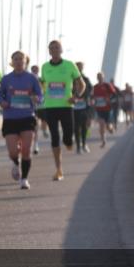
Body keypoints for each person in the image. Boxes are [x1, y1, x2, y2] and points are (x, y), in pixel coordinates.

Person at [0, 51, 43, 190]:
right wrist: (2, 102)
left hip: (27, 117)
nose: (18, 62)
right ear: (12, 62)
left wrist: (37, 99)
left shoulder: (32, 78)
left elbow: (41, 96)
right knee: (12, 152)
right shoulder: (6, 79)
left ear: (25, 62)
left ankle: (24, 179)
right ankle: (15, 163)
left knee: (26, 150)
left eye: (21, 59)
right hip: (10, 118)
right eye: (15, 59)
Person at [40, 40, 83, 181]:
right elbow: (42, 83)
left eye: (57, 47)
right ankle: (58, 170)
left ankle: (69, 142)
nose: (54, 50)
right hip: (50, 106)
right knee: (54, 137)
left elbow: (81, 84)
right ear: (49, 51)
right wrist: (39, 92)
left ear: (61, 50)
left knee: (67, 138)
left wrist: (76, 97)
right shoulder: (45, 67)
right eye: (51, 48)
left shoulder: (69, 65)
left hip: (66, 106)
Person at [72, 61, 94, 154]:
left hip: (84, 106)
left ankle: (84, 144)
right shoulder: (71, 78)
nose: (79, 68)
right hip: (74, 106)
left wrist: (88, 99)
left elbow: (90, 91)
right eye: (77, 67)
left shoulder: (86, 79)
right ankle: (78, 147)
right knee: (76, 127)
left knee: (84, 126)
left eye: (81, 67)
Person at [91, 72, 117, 148]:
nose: (99, 78)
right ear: (97, 78)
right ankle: (103, 141)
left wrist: (109, 100)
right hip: (99, 109)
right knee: (101, 125)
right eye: (98, 77)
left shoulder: (107, 85)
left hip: (108, 109)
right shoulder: (95, 87)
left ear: (103, 77)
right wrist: (92, 101)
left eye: (101, 77)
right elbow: (92, 97)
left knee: (108, 127)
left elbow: (114, 95)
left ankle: (111, 128)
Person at [29, 63, 47, 154]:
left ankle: (44, 130)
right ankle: (36, 145)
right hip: (33, 106)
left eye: (36, 69)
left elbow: (46, 90)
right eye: (33, 69)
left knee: (44, 121)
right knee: (35, 126)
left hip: (42, 105)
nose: (35, 70)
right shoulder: (28, 79)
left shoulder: (42, 80)